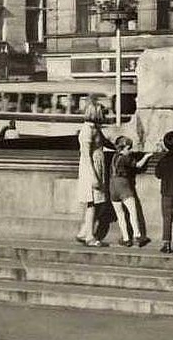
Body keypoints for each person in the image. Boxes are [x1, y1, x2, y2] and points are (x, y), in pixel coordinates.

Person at [75, 97, 110, 247]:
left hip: (97, 167)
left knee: (98, 204)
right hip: (91, 169)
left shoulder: (94, 129)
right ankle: (89, 236)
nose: (105, 116)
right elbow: (86, 155)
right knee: (93, 204)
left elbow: (106, 143)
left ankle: (84, 232)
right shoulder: (87, 131)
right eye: (102, 113)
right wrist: (94, 177)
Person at [109, 135, 152, 247]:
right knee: (133, 212)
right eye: (129, 148)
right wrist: (147, 156)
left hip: (112, 186)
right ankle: (137, 236)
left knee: (120, 215)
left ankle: (126, 238)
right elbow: (138, 165)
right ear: (123, 148)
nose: (130, 150)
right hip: (124, 185)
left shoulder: (115, 156)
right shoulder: (126, 158)